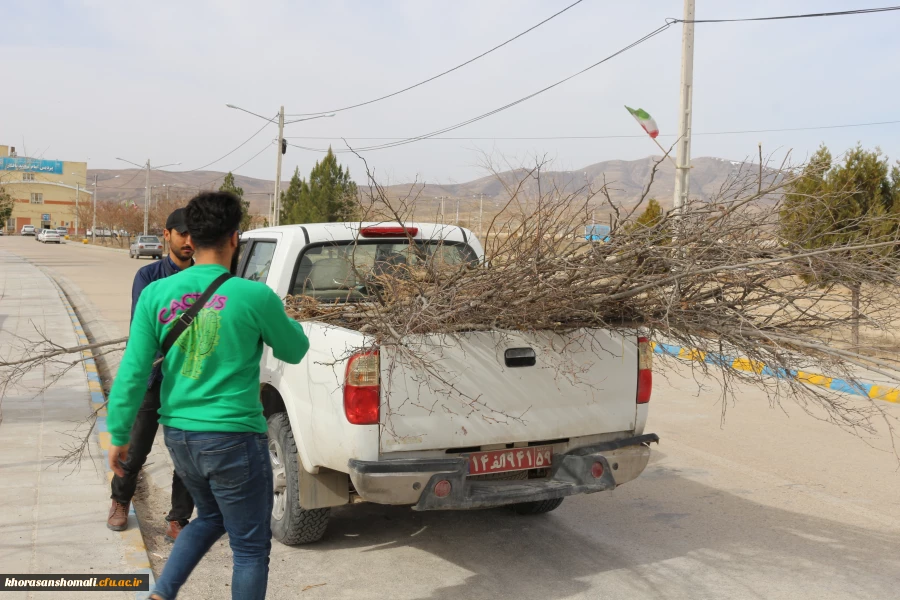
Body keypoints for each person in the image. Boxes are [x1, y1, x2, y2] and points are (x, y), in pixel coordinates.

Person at [106, 191, 309, 600]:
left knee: (211, 516)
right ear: (235, 238)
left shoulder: (156, 293)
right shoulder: (254, 296)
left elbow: (133, 369)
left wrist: (118, 432)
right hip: (234, 437)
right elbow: (295, 349)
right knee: (250, 548)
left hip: (179, 435)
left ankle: (163, 592)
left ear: (191, 239)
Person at [108, 208, 196, 541]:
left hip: (187, 384)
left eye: (193, 235)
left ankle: (179, 518)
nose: (188, 241)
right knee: (135, 451)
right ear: (167, 234)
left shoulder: (206, 278)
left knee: (186, 456)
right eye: (182, 233)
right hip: (153, 379)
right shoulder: (148, 276)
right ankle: (119, 501)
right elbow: (143, 331)